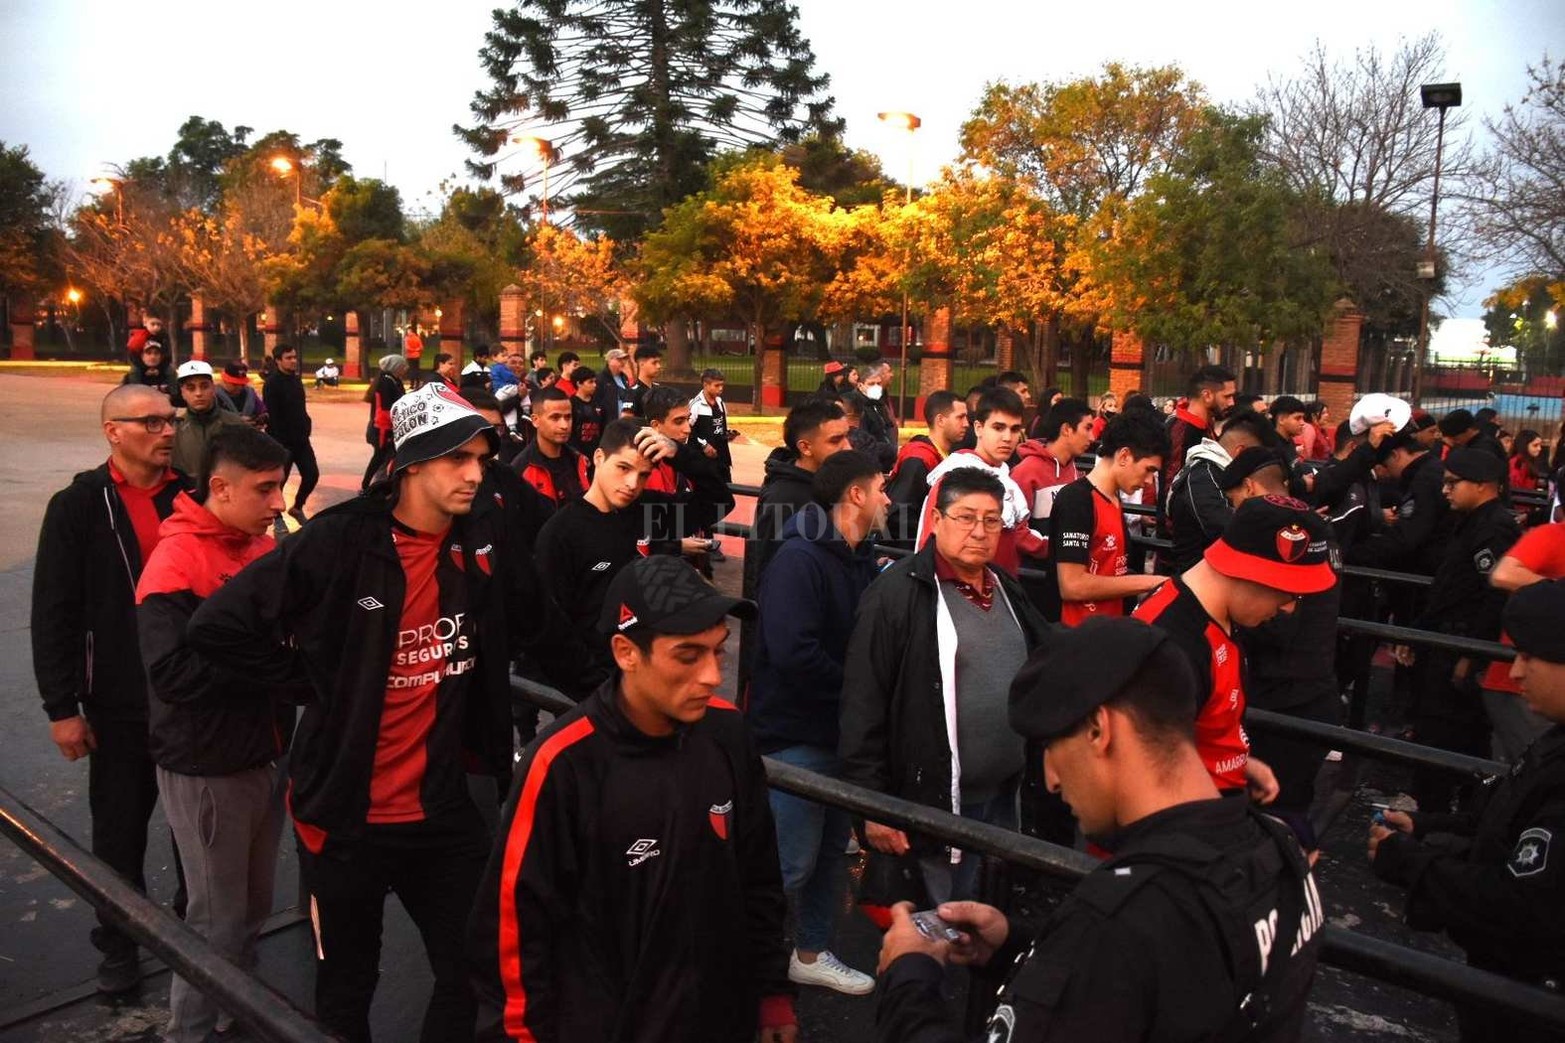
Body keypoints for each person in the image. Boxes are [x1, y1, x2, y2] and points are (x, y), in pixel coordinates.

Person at [185, 382, 565, 1043]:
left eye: (482, 458)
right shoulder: (339, 542)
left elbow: (543, 625)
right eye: (458, 460)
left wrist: (616, 688)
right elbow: (217, 626)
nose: (477, 474)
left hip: (443, 814)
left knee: (474, 971)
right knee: (345, 989)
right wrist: (311, 681)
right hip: (343, 817)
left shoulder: (482, 540)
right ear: (410, 465)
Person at [876, 617, 1323, 1042]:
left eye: (1051, 745)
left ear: (1098, 730)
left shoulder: (1121, 916)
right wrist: (1015, 946)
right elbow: (1171, 988)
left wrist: (909, 976)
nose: (1050, 777)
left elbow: (1130, 958)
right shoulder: (1278, 851)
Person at [468, 557, 797, 1042]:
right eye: (688, 656)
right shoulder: (562, 764)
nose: (710, 675)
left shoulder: (726, 732)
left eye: (718, 652)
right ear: (625, 652)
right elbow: (514, 933)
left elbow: (759, 876)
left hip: (721, 1019)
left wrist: (771, 994)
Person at [136, 424, 301, 1043]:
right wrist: (271, 662)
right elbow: (173, 674)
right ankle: (191, 1031)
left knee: (252, 907)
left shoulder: (258, 547)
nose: (279, 504)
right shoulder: (177, 559)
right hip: (207, 765)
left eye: (280, 488)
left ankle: (237, 1013)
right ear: (220, 489)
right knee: (215, 919)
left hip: (263, 753)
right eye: (265, 490)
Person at [31, 384, 186, 993]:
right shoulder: (79, 505)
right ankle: (119, 945)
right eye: (150, 421)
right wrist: (61, 707)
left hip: (189, 698)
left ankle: (192, 941)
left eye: (169, 419)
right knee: (119, 833)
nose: (166, 430)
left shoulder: (193, 494)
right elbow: (54, 612)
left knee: (192, 832)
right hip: (119, 702)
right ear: (113, 432)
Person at [839, 468, 1051, 903]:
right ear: (936, 520)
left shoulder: (1005, 587)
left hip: (1002, 797)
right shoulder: (898, 595)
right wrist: (873, 808)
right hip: (932, 804)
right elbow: (864, 704)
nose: (980, 531)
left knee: (980, 919)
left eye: (992, 520)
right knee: (932, 927)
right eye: (966, 517)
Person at [1370, 578, 1565, 1043]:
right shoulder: (1555, 739)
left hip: (1531, 997)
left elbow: (1524, 906)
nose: (1516, 672)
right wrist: (1425, 826)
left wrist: (1411, 862)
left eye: (1529, 657)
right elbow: (1508, 820)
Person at [750, 452, 888, 996]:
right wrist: (859, 692)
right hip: (795, 738)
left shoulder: (860, 556)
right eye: (879, 488)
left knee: (830, 854)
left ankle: (809, 952)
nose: (887, 499)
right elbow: (793, 653)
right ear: (855, 495)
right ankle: (736, 963)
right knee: (787, 865)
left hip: (838, 735)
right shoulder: (800, 559)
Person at [1134, 495, 1338, 801]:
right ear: (1246, 572)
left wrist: (1238, 765)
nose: (1289, 606)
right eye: (1286, 592)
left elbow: (1201, 736)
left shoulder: (1220, 617)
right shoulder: (1170, 645)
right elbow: (1142, 781)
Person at [534, 418, 733, 692]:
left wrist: (680, 453)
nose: (631, 483)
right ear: (599, 457)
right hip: (598, 690)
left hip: (651, 675)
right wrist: (595, 689)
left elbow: (719, 503)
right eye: (623, 468)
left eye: (643, 475)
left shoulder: (648, 510)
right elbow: (552, 629)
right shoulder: (560, 533)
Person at [1402, 448, 1521, 813]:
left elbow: (1493, 598)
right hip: (1446, 638)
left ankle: (1441, 813)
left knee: (1451, 733)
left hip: (1461, 643)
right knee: (1448, 732)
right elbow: (1449, 587)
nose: (1445, 491)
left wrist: (1471, 654)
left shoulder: (1494, 526)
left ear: (1484, 486)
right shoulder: (1470, 521)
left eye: (1454, 483)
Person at [1047, 411, 1170, 625]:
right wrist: (1149, 582)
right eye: (1148, 470)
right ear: (1124, 456)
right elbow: (1072, 585)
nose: (1150, 481)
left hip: (1108, 632)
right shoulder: (1077, 500)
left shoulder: (1112, 498)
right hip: (1077, 638)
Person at [915, 387, 1046, 577]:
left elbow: (1018, 538)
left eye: (1015, 429)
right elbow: (930, 543)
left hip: (1000, 590)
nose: (1008, 438)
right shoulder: (954, 476)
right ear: (978, 428)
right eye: (998, 428)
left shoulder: (1006, 478)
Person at [1480, 520, 1565, 762]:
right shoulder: (1552, 535)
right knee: (1532, 770)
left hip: (1548, 687)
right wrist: (1555, 591)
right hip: (1522, 684)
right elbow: (1504, 574)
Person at [749, 398, 852, 581]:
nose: (848, 447)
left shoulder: (835, 479)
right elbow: (766, 568)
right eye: (836, 440)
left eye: (847, 436)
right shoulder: (783, 499)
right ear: (805, 447)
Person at [1164, 411, 1272, 572]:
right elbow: (1230, 530)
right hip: (1199, 581)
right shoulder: (1202, 476)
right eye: (1257, 460)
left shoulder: (1221, 473)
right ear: (1240, 452)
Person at [1010, 396, 1093, 565]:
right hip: (1036, 574)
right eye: (1087, 428)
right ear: (1067, 430)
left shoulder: (1073, 468)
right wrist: (1061, 549)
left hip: (1068, 568)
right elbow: (1016, 531)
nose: (1092, 437)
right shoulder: (1026, 471)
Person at [885, 390, 970, 540]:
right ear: (941, 420)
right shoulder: (918, 459)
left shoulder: (945, 455)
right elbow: (899, 516)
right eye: (960, 417)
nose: (966, 424)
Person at [1160, 365, 1238, 521]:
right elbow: (1173, 486)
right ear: (1207, 395)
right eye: (1227, 396)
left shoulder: (1202, 425)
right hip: (1184, 531)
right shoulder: (1181, 430)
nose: (1232, 403)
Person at [262, 345, 318, 523]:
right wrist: (278, 442)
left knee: (311, 475)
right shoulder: (272, 383)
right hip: (281, 442)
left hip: (301, 440)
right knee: (279, 481)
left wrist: (306, 424)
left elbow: (300, 408)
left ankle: (297, 507)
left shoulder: (296, 380)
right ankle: (277, 519)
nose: (293, 361)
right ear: (278, 360)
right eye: (288, 358)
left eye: (294, 357)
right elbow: (273, 415)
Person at [511, 386, 589, 506]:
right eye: (555, 418)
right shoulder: (520, 469)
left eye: (568, 417)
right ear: (535, 420)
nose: (564, 425)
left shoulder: (580, 460)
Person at [172, 360, 247, 476]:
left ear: (213, 388)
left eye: (204, 386)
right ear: (183, 393)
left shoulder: (236, 424)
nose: (198, 393)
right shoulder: (174, 429)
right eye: (191, 388)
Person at [362, 353, 408, 489]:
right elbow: (385, 408)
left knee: (384, 457)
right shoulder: (386, 382)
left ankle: (379, 484)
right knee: (380, 457)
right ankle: (368, 485)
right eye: (403, 366)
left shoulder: (393, 380)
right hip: (383, 427)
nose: (405, 369)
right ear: (396, 367)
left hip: (386, 425)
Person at [688, 368, 737, 483]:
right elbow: (687, 430)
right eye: (717, 385)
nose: (721, 389)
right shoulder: (695, 405)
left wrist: (728, 434)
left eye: (722, 385)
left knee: (726, 490)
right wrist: (704, 445)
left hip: (722, 458)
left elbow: (720, 427)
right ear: (705, 384)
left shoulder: (720, 403)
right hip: (703, 461)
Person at [217, 360, 268, 426]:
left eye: (242, 384)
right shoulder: (213, 396)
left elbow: (262, 410)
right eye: (234, 384)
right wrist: (235, 421)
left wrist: (260, 419)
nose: (239, 387)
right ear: (224, 380)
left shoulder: (250, 393)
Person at [568, 368, 604, 456]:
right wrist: (576, 453)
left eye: (595, 382)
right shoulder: (571, 404)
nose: (594, 385)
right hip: (578, 452)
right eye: (590, 382)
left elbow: (603, 426)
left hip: (596, 452)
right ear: (579, 383)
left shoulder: (598, 402)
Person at [593, 346, 634, 421]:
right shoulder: (600, 379)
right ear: (609, 360)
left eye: (624, 359)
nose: (623, 362)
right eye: (619, 359)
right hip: (609, 422)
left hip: (625, 421)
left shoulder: (624, 377)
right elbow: (597, 402)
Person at [625, 344, 664, 417]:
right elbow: (626, 421)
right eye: (654, 363)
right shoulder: (633, 392)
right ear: (641, 364)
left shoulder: (658, 389)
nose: (659, 366)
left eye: (659, 362)